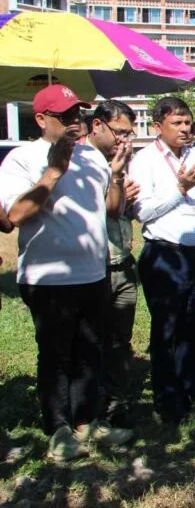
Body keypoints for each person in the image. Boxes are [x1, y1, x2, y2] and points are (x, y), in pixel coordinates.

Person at [0, 85, 132, 461]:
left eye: (79, 115)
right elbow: (14, 216)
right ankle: (57, 429)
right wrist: (53, 172)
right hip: (48, 277)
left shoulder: (91, 156)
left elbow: (111, 209)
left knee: (90, 351)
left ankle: (85, 422)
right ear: (42, 119)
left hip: (92, 271)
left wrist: (117, 175)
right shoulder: (22, 159)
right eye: (66, 117)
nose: (76, 123)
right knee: (57, 356)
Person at [130, 96, 195, 424]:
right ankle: (167, 398)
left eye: (188, 123)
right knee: (167, 327)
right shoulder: (144, 161)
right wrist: (180, 189)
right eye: (177, 123)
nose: (185, 129)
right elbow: (143, 212)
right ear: (157, 126)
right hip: (164, 254)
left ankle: (191, 386)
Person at [86, 101, 142, 430]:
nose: (125, 140)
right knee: (92, 339)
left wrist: (130, 199)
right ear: (97, 126)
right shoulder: (82, 164)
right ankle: (88, 407)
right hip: (93, 265)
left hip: (123, 260)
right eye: (119, 132)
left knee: (121, 340)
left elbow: (122, 212)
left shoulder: (123, 164)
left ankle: (116, 404)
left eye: (129, 134)